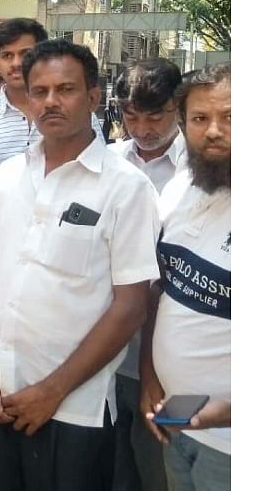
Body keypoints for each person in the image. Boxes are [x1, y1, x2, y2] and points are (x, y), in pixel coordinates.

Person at [0, 40, 160, 490]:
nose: (51, 101)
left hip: (75, 408)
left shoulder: (125, 188)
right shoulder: (11, 174)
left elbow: (131, 305)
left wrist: (53, 390)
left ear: (94, 97)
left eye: (66, 89)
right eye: (40, 91)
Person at [139, 64, 231, 491]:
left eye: (231, 117)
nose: (213, 130)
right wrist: (150, 379)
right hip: (176, 423)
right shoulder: (179, 191)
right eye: (200, 119)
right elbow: (161, 294)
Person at [107, 57, 185, 491]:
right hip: (112, 353)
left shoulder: (201, 169)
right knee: (116, 470)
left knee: (165, 466)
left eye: (154, 115)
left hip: (176, 362)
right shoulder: (109, 163)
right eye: (131, 116)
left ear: (176, 105)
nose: (142, 128)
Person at [0, 19, 105, 195]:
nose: (16, 63)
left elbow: (98, 171)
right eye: (7, 56)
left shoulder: (76, 115)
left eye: (25, 53)